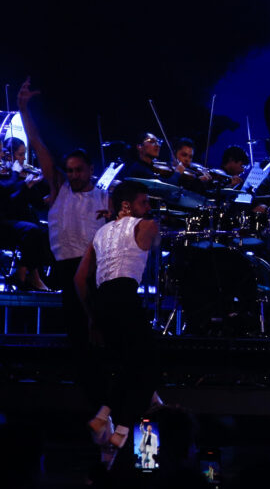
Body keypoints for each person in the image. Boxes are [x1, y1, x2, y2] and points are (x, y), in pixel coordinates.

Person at [17, 78, 108, 349]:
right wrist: (23, 109)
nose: (74, 175)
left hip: (93, 268)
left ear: (90, 169)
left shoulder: (104, 195)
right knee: (75, 332)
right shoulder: (60, 187)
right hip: (66, 267)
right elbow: (37, 143)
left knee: (96, 329)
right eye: (70, 170)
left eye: (79, 170)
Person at [74, 180, 162, 444]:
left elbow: (79, 279)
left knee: (130, 364)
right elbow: (157, 240)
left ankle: (104, 416)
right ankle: (121, 431)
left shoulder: (99, 234)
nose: (148, 207)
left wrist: (92, 318)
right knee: (149, 365)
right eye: (143, 202)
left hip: (101, 302)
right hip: (124, 296)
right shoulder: (147, 225)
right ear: (127, 204)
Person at [1, 135, 51, 291]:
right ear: (10, 155)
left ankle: (34, 276)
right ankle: (25, 275)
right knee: (33, 230)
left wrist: (55, 189)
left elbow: (39, 204)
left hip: (18, 221)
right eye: (20, 154)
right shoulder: (9, 176)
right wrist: (22, 182)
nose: (23, 158)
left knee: (44, 232)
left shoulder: (17, 175)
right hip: (6, 222)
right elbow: (7, 198)